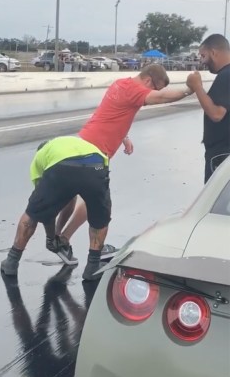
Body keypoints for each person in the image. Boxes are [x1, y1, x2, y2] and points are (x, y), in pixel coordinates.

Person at [50, 64, 193, 264]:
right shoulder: (137, 90)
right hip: (96, 152)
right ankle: (65, 240)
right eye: (154, 88)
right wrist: (190, 89)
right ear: (148, 81)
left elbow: (113, 112)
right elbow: (161, 98)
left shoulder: (121, 84)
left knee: (71, 192)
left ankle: (55, 236)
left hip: (81, 142)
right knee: (96, 202)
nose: (152, 93)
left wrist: (123, 136)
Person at [0, 136, 112, 281]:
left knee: (32, 214)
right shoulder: (70, 142)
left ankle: (12, 261)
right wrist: (57, 236)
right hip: (96, 164)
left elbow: (46, 210)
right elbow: (70, 199)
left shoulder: (40, 157)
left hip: (61, 167)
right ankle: (92, 266)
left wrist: (51, 237)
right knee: (100, 217)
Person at [187, 34, 230, 182]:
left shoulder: (226, 75)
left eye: (203, 55)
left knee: (215, 201)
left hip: (221, 154)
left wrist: (197, 86)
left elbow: (217, 114)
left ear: (214, 52)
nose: (202, 61)